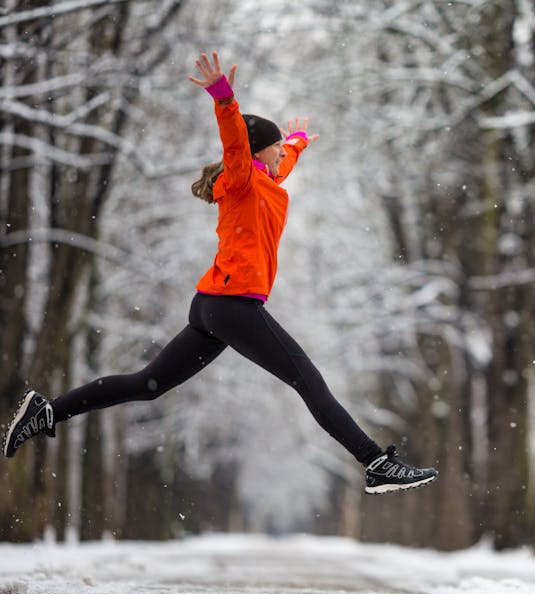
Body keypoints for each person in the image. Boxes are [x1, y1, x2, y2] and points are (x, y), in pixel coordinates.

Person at [2, 51, 437, 495]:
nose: (282, 153)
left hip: (212, 306)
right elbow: (234, 141)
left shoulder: (268, 178)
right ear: (257, 152)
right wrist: (223, 99)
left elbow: (283, 162)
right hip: (234, 306)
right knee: (309, 382)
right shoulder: (243, 176)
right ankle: (375, 463)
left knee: (147, 385)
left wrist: (300, 140)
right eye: (277, 147)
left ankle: (47, 411)